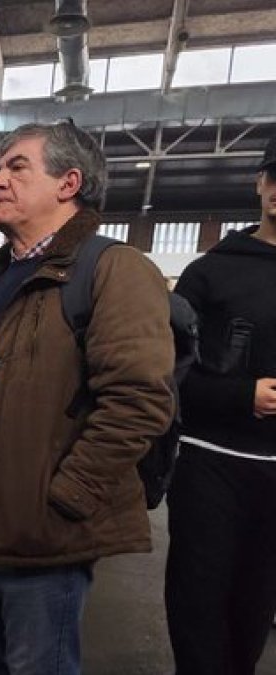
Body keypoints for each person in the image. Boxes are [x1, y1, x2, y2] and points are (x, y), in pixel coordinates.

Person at [0, 121, 175, 675]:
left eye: (16, 167)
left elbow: (139, 400)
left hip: (43, 532)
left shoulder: (114, 269)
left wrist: (65, 497)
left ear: (68, 183)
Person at [165, 136, 276, 675]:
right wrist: (241, 394)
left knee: (256, 608)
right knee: (197, 601)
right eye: (275, 176)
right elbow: (167, 373)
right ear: (260, 182)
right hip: (209, 460)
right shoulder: (210, 271)